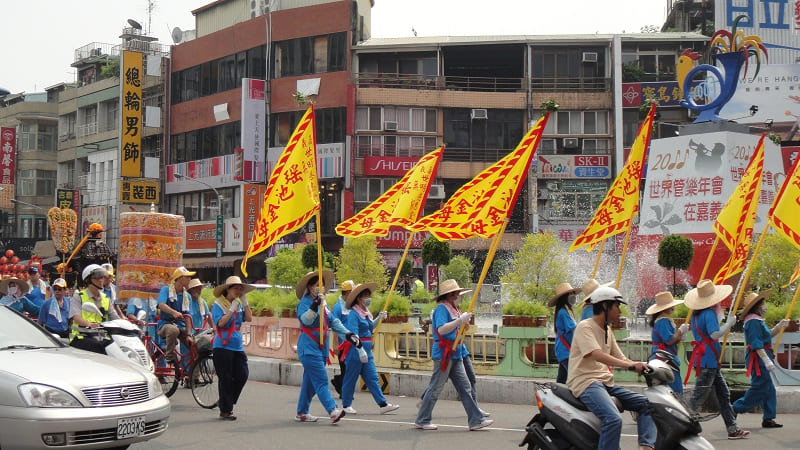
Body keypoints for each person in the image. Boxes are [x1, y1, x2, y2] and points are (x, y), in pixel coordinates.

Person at [567, 286, 655, 450]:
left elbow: (620, 357)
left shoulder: (606, 329)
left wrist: (640, 365)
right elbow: (597, 354)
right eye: (617, 306)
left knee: (647, 404)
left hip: (605, 383)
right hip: (586, 382)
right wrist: (629, 365)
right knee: (613, 419)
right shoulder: (585, 327)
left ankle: (646, 446)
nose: (620, 311)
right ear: (605, 306)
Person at [415, 279, 493, 431]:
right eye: (457, 293)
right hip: (443, 353)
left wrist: (463, 323)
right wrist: (459, 320)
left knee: (465, 387)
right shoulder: (441, 309)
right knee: (435, 388)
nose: (459, 296)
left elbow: (456, 329)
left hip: (455, 353)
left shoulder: (453, 308)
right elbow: (442, 329)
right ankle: (423, 419)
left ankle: (476, 420)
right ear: (451, 295)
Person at [684, 279, 750, 439]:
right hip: (708, 359)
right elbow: (714, 334)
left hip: (707, 358)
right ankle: (681, 425)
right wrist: (729, 324)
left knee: (723, 394)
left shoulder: (696, 314)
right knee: (698, 397)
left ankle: (733, 429)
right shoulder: (709, 313)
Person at [295, 270, 359, 424]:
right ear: (310, 287)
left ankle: (302, 411)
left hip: (322, 348)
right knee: (321, 380)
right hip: (309, 347)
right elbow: (306, 321)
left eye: (322, 285)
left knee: (310, 382)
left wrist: (348, 334)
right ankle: (332, 410)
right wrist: (313, 306)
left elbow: (333, 321)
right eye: (317, 285)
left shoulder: (324, 304)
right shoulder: (304, 303)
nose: (320, 288)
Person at [732, 290, 790, 428]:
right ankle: (735, 408)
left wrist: (779, 326)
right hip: (758, 358)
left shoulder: (756, 320)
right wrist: (766, 360)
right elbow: (756, 343)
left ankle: (768, 418)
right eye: (763, 303)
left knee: (769, 389)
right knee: (759, 388)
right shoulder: (752, 321)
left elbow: (768, 335)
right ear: (758, 306)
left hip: (762, 357)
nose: (765, 306)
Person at [340, 282, 399, 414]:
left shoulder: (365, 313)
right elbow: (353, 335)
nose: (368, 298)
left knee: (372, 377)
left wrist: (379, 318)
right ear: (359, 298)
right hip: (355, 351)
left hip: (367, 350)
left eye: (368, 295)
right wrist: (360, 349)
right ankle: (346, 404)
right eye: (366, 296)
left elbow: (370, 327)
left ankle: (382, 404)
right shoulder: (353, 315)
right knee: (351, 378)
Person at [211, 275, 253, 420]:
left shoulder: (239, 304)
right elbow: (220, 323)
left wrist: (245, 303)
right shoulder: (218, 304)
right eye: (235, 288)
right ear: (228, 289)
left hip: (237, 345)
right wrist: (230, 310)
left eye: (240, 288)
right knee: (226, 378)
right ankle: (226, 410)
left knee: (243, 374)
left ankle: (225, 401)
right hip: (222, 345)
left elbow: (249, 318)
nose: (238, 290)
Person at [645, 291, 689, 395]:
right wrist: (680, 331)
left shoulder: (662, 319)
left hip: (663, 355)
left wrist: (679, 336)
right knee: (674, 385)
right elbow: (669, 340)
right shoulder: (663, 320)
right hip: (664, 357)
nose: (673, 308)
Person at [69, 264, 120, 352]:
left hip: (100, 336)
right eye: (97, 277)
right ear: (88, 280)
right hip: (81, 336)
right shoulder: (79, 296)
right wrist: (89, 324)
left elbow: (115, 317)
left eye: (102, 277)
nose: (101, 280)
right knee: (97, 347)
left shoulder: (105, 298)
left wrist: (128, 326)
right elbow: (76, 317)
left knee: (116, 347)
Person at [156, 266, 195, 362]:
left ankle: (194, 375)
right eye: (187, 277)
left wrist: (189, 334)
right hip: (165, 324)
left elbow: (188, 316)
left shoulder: (187, 296)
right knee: (173, 330)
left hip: (181, 326)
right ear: (180, 278)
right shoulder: (166, 290)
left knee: (195, 346)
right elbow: (161, 304)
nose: (190, 279)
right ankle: (169, 356)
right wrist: (173, 313)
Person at [548, 282, 581, 384]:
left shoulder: (565, 311)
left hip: (563, 350)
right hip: (566, 350)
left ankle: (556, 396)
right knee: (576, 377)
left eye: (573, 293)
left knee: (562, 379)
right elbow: (571, 332)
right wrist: (578, 347)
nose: (573, 296)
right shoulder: (563, 312)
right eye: (571, 294)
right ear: (564, 297)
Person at [330, 279, 354, 397]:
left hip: (351, 343)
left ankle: (338, 382)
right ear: (347, 292)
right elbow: (335, 327)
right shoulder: (338, 308)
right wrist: (335, 344)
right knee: (345, 368)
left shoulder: (351, 306)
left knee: (350, 368)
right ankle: (344, 393)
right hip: (342, 343)